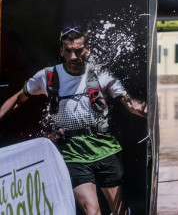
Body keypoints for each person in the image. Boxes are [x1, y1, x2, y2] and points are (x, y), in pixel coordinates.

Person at [0, 26, 147, 215]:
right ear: (61, 51)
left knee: (119, 212)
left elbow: (129, 102)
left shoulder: (100, 74)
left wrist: (141, 109)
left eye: (78, 50)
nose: (73, 57)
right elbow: (17, 99)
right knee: (92, 211)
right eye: (68, 51)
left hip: (105, 150)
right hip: (71, 153)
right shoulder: (47, 77)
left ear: (88, 49)